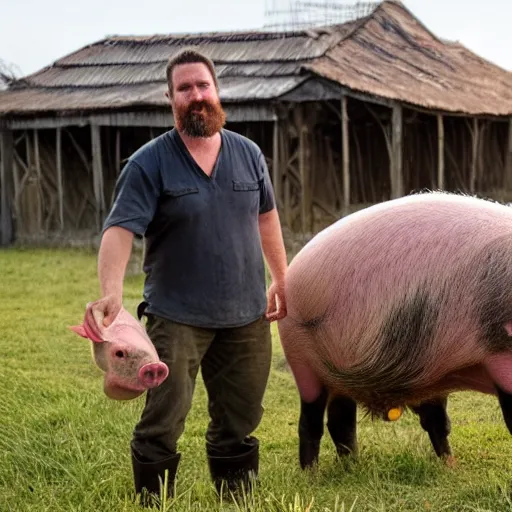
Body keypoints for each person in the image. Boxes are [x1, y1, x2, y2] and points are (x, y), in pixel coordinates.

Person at [94, 48, 288, 505]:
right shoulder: (149, 163)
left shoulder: (248, 154)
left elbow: (267, 218)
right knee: (165, 415)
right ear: (171, 98)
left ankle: (236, 497)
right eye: (185, 89)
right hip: (177, 317)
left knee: (241, 416)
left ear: (216, 91)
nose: (196, 95)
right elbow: (120, 230)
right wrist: (110, 294)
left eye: (203, 86)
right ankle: (154, 500)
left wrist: (282, 277)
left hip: (246, 316)